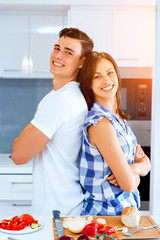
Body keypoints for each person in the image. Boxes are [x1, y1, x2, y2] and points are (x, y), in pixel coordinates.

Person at [11, 28, 94, 216]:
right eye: (57, 48)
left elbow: (18, 155)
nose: (58, 55)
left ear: (82, 62)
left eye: (68, 52)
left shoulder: (60, 100)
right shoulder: (73, 96)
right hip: (69, 207)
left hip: (56, 213)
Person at [79, 51, 151, 216]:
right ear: (88, 83)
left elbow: (143, 161)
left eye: (110, 73)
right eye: (97, 76)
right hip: (104, 216)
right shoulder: (100, 123)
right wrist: (139, 170)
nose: (106, 80)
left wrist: (137, 167)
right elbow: (129, 185)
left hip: (124, 213)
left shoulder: (117, 117)